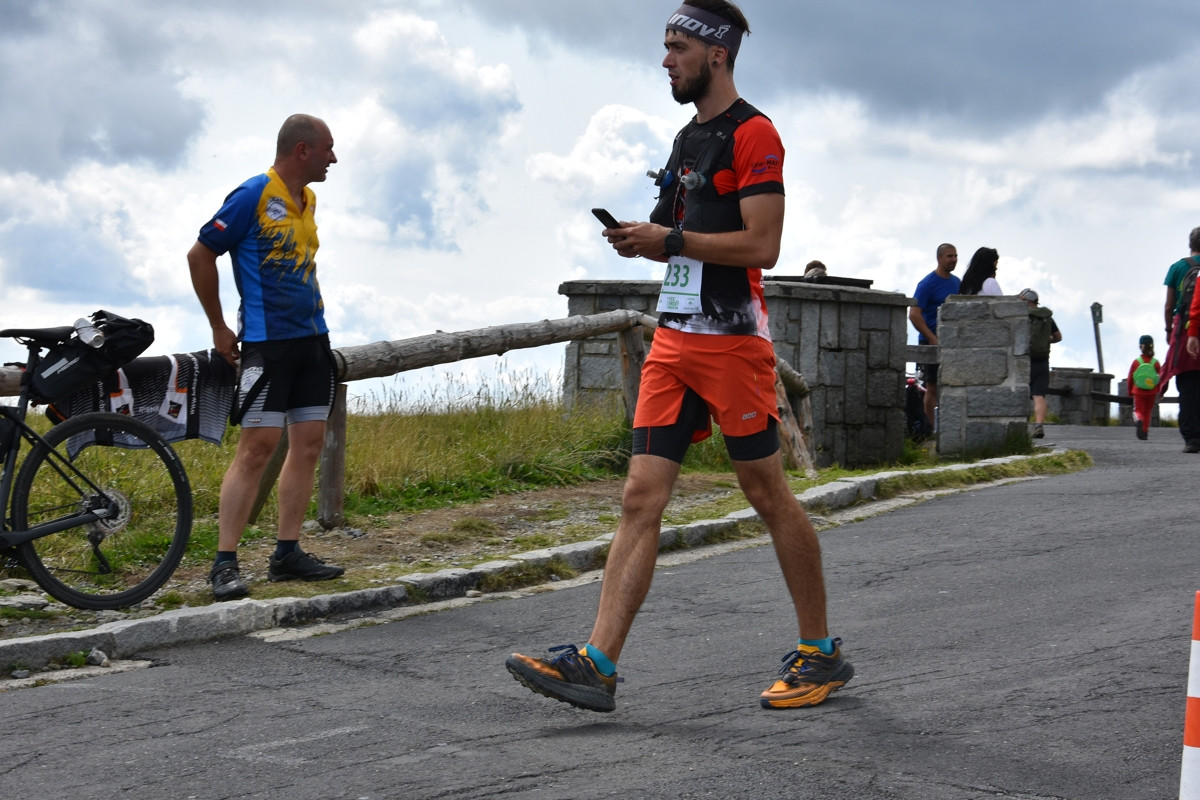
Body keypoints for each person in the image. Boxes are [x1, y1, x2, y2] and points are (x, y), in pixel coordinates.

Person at [506, 0, 853, 713]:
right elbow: (677, 233)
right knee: (640, 497)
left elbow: (763, 245)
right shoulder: (686, 138)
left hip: (732, 344)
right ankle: (597, 663)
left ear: (716, 54)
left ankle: (819, 652)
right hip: (673, 341)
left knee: (765, 492)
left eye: (677, 48)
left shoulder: (756, 134)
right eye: (665, 47)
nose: (665, 60)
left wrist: (668, 241)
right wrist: (641, 236)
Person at [187, 114, 345, 601]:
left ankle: (287, 553)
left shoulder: (308, 199)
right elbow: (200, 254)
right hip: (267, 343)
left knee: (309, 444)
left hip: (312, 340)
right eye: (327, 149)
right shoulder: (253, 193)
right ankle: (224, 562)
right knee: (256, 448)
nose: (334, 158)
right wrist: (219, 326)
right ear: (303, 150)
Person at [910, 244, 960, 429]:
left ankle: (948, 427)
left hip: (951, 342)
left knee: (951, 385)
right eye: (949, 256)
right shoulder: (927, 284)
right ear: (939, 258)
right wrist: (931, 337)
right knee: (931, 386)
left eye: (955, 256)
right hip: (930, 342)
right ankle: (929, 429)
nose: (954, 259)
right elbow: (914, 314)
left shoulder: (957, 282)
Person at [1163, 227, 1200, 453]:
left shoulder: (1177, 268)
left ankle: (1191, 437)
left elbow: (1169, 305)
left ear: (1190, 244)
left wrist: (1169, 330)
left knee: (1187, 385)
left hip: (1184, 330)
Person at [1018, 288, 1061, 439]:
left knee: (1020, 393)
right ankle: (1038, 425)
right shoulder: (1047, 317)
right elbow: (1058, 337)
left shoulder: (1022, 315)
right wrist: (1046, 340)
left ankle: (1019, 426)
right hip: (1042, 360)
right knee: (1038, 395)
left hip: (1024, 359)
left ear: (1026, 301)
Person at [1127, 335, 1161, 441]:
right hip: (1151, 391)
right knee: (1147, 412)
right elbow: (1159, 378)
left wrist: (1130, 391)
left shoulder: (1136, 362)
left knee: (1138, 410)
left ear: (1140, 347)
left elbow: (1130, 378)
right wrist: (1159, 391)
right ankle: (1145, 432)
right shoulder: (1155, 363)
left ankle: (1138, 420)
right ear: (1152, 346)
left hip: (1138, 391)